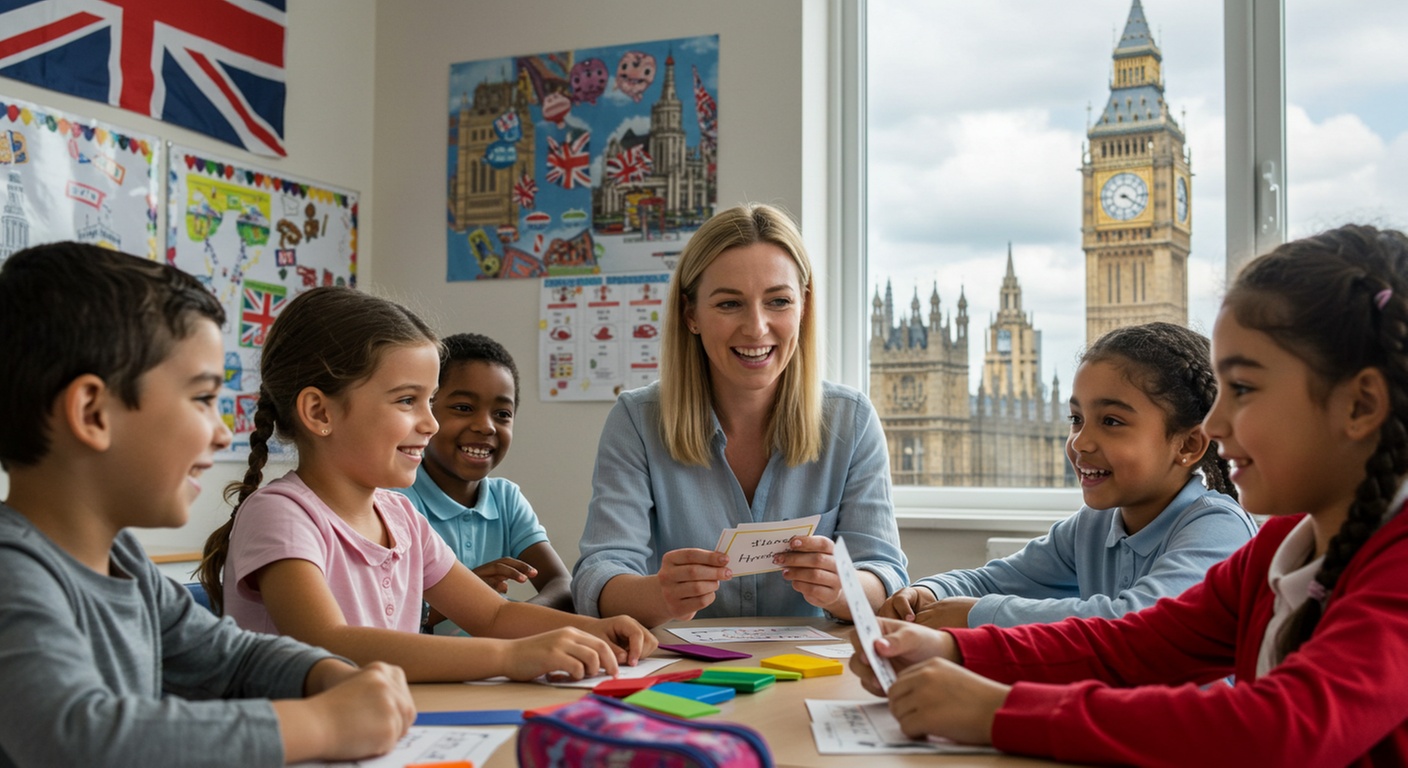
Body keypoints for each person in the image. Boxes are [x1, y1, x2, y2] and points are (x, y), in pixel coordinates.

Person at [849, 224, 1408, 766]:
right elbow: (1133, 646)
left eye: (1242, 388)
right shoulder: (1282, 546)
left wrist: (998, 709)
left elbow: (1277, 729)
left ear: (1359, 406)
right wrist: (952, 651)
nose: (1212, 423)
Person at [0, 243, 414, 767]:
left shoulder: (123, 561)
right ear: (93, 413)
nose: (222, 435)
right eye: (201, 399)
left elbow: (230, 657)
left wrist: (326, 673)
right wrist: (325, 722)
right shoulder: (12, 572)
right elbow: (77, 738)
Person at [198, 286, 656, 683]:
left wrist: (596, 630)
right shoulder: (280, 514)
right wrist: (509, 656)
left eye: (430, 401)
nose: (431, 424)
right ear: (320, 413)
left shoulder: (400, 516)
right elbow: (329, 644)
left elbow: (493, 614)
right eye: (407, 401)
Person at [573, 203, 908, 627]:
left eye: (778, 302)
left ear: (803, 308)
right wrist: (656, 595)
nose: (756, 327)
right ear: (691, 314)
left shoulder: (852, 421)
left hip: (815, 670)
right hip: (683, 674)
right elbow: (596, 579)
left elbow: (887, 577)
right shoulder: (637, 421)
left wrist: (843, 587)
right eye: (730, 304)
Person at [880, 322, 1256, 629]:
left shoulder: (1218, 528)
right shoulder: (1093, 527)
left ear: (1188, 445)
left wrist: (977, 614)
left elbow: (1135, 622)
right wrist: (930, 591)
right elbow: (992, 580)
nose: (1081, 442)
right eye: (1076, 419)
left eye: (1111, 421)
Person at [395, 333, 574, 627]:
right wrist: (469, 597)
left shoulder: (505, 499)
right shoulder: (397, 500)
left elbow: (562, 584)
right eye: (464, 408)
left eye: (502, 414)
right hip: (421, 669)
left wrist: (518, 617)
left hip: (497, 667)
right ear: (425, 412)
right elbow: (388, 613)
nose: (485, 426)